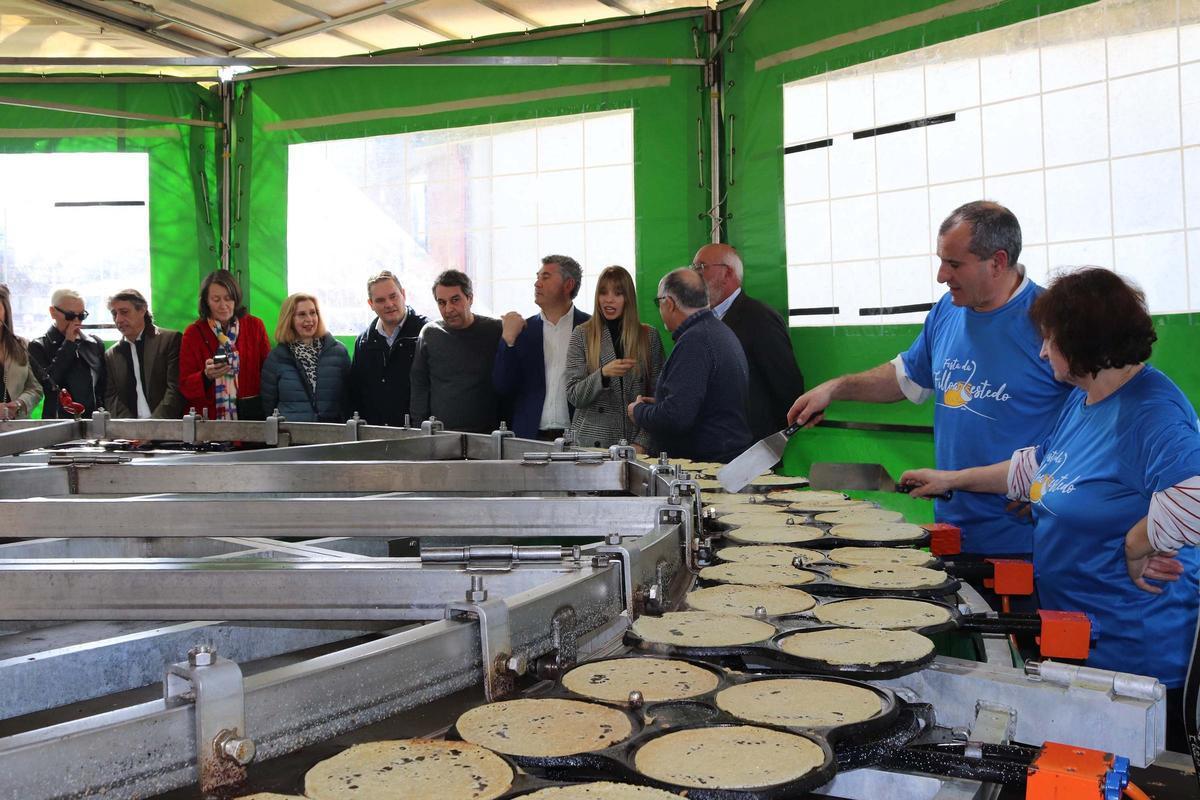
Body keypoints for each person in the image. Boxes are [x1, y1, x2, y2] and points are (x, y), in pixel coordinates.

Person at [901, 268, 1200, 750]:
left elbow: (1195, 497)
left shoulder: (1153, 409)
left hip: (1135, 656)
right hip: (1077, 635)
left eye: (1050, 341)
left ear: (1082, 343)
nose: (1042, 351)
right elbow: (1038, 468)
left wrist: (1137, 542)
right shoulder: (1086, 400)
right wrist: (953, 480)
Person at [786, 201, 1073, 559]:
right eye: (940, 261)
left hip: (1027, 541)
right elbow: (905, 378)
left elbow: (1095, 425)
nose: (941, 275)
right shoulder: (948, 310)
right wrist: (835, 388)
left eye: (954, 264)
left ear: (998, 262)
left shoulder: (1052, 322)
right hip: (952, 528)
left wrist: (1056, 487)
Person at [628, 268, 751, 462]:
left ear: (669, 303)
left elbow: (676, 417)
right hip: (727, 458)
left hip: (706, 467)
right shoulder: (718, 331)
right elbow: (702, 402)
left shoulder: (695, 342)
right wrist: (662, 402)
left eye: (658, 303)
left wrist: (638, 411)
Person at [693, 242, 805, 440]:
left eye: (701, 268)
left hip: (750, 444)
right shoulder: (702, 321)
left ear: (727, 273)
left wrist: (769, 443)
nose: (694, 276)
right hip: (713, 443)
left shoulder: (760, 318)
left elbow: (787, 385)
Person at [565, 265, 664, 451]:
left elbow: (659, 399)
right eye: (603, 293)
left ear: (628, 298)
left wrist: (642, 442)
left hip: (634, 447)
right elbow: (573, 395)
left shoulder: (648, 336)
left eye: (617, 293)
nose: (609, 299)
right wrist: (602, 375)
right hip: (590, 446)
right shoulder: (582, 334)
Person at [494, 255, 591, 440]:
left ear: (568, 285)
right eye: (538, 277)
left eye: (545, 277)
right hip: (530, 437)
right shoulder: (522, 330)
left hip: (580, 438)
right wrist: (507, 340)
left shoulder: (591, 328)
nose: (537, 284)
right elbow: (502, 385)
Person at [409, 270, 503, 433]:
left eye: (455, 300)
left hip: (488, 435)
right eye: (442, 302)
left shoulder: (495, 330)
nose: (448, 309)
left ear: (470, 298)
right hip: (441, 434)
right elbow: (419, 386)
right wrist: (419, 431)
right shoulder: (430, 333)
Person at [179, 271, 271, 420]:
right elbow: (185, 386)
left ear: (236, 299)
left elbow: (268, 374)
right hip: (209, 420)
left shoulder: (255, 326)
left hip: (250, 417)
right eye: (216, 299)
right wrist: (205, 376)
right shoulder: (193, 333)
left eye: (228, 299)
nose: (223, 305)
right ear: (206, 301)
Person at [349, 271, 428, 426]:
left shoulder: (426, 333)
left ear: (403, 294)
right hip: (374, 437)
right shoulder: (363, 342)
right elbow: (355, 391)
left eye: (393, 296)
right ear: (371, 304)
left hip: (417, 435)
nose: (389, 304)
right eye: (380, 300)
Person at [261, 293, 351, 422]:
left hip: (332, 434)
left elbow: (348, 398)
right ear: (289, 319)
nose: (309, 319)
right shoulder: (276, 358)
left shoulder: (339, 352)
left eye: (313, 313)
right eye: (302, 314)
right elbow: (268, 405)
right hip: (291, 436)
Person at [103, 289, 183, 419]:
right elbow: (111, 397)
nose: (118, 319)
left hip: (168, 430)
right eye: (114, 314)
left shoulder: (170, 340)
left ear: (142, 309)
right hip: (129, 435)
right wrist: (132, 429)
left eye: (124, 312)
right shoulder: (111, 355)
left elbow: (175, 390)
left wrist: (151, 428)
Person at [28, 288, 106, 418]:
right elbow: (50, 383)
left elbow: (103, 386)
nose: (76, 321)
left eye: (81, 316)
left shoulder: (94, 344)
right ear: (53, 312)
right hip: (58, 421)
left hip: (93, 419)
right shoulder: (38, 346)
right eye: (70, 316)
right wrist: (69, 342)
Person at [0, 284, 42, 421]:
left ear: (6, 311)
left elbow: (35, 388)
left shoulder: (22, 345)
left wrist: (18, 404)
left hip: (17, 426)